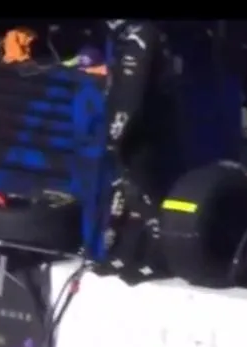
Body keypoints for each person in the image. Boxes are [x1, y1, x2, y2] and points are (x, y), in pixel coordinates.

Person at [101, 19, 177, 283]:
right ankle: (124, 252)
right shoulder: (126, 32)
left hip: (144, 131)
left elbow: (131, 94)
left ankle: (157, 259)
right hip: (141, 126)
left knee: (145, 192)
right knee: (125, 191)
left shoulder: (141, 34)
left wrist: (117, 133)